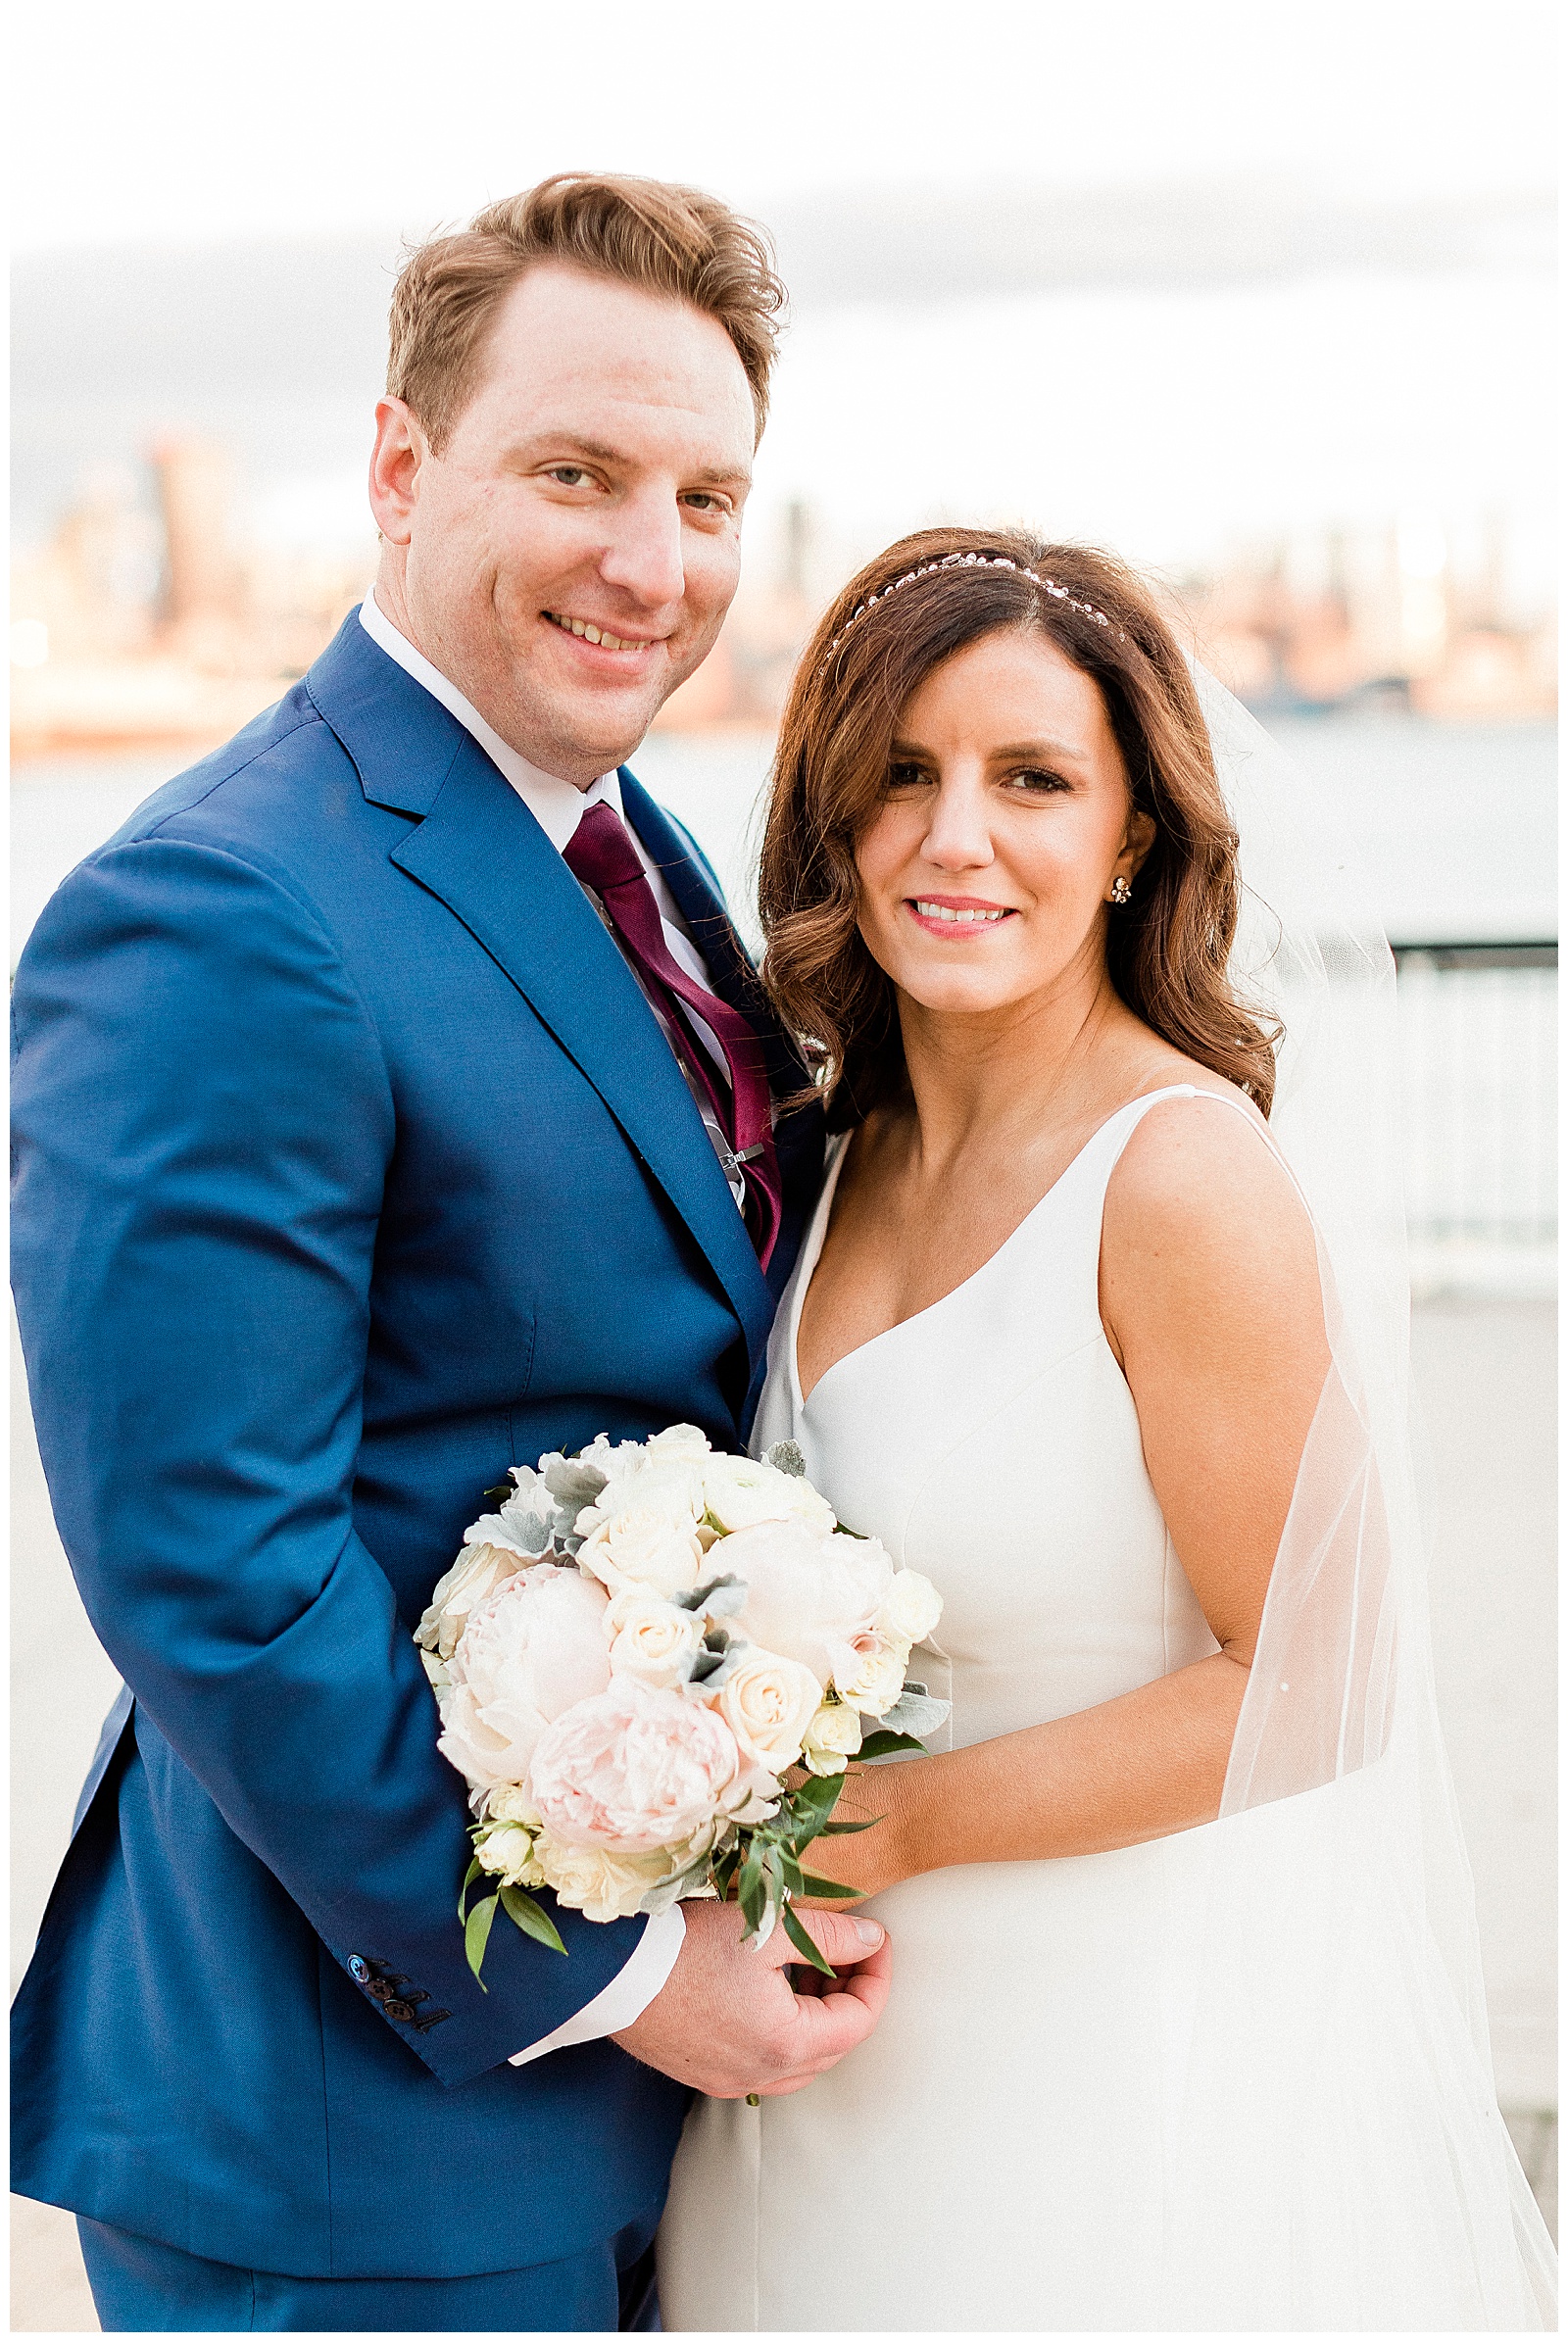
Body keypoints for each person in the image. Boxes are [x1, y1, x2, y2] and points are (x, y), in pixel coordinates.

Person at [9, 174, 891, 2337]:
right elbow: (213, 1556)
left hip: (612, 2111)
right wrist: (606, 1969)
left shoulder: (623, 841)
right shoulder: (221, 909)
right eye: (574, 474)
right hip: (359, 2122)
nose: (649, 561)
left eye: (704, 495)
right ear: (399, 468)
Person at [656, 527, 1557, 2331]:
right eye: (902, 772)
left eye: (1033, 779)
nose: (955, 835)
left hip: (1081, 2109)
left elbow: (1322, 1673)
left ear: (1133, 832)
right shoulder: (829, 1159)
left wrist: (898, 1828)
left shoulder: (1180, 1174)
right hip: (797, 2103)